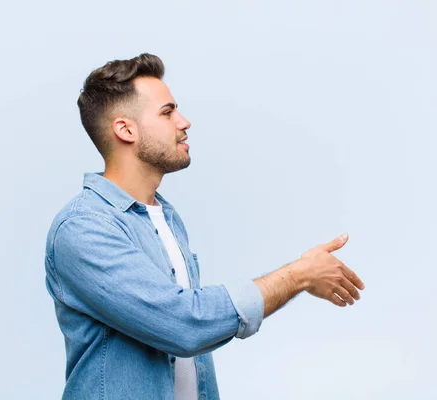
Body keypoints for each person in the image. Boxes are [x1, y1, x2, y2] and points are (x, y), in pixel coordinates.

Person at [44, 53, 365, 400]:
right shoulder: (83, 228)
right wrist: (298, 275)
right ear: (125, 129)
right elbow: (184, 324)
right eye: (167, 112)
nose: (184, 122)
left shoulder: (166, 219)